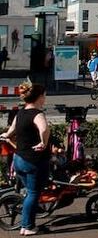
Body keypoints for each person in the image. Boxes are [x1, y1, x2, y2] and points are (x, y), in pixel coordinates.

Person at [0, 82, 50, 235]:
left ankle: (27, 217)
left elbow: (12, 129)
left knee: (29, 192)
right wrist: (44, 142)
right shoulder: (38, 114)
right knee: (33, 193)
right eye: (44, 95)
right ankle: (27, 226)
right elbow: (44, 128)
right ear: (40, 97)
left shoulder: (21, 112)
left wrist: (6, 135)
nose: (45, 98)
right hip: (33, 160)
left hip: (19, 159)